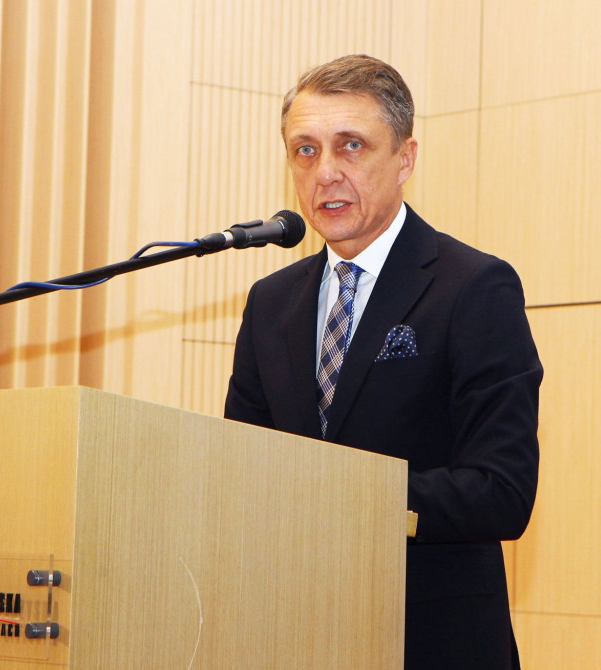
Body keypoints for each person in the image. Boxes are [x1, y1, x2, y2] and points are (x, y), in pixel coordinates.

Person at [224, 54, 543, 669]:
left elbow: (501, 491)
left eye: (352, 146)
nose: (325, 172)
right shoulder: (271, 302)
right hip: (293, 635)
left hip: (431, 640)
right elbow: (242, 471)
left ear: (405, 159)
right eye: (305, 150)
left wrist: (342, 496)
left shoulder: (472, 287)